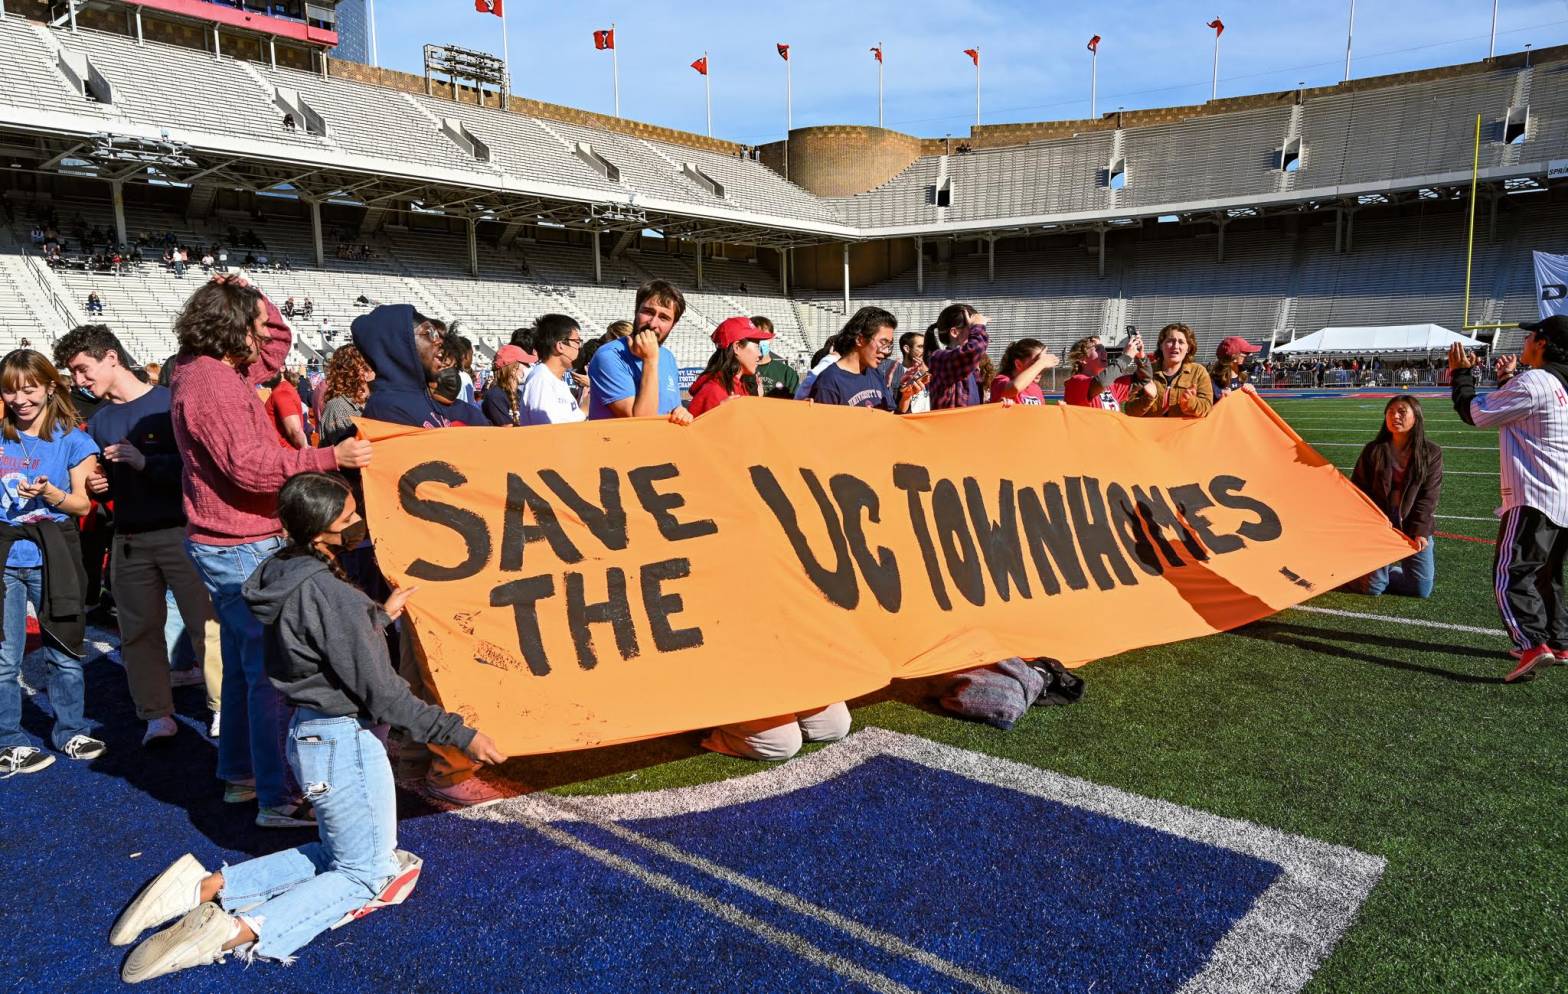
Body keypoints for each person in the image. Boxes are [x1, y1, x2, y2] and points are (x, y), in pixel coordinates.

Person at [110, 472, 506, 982]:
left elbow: (317, 642)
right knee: (369, 873)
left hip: (312, 735)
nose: (358, 521)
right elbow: (384, 695)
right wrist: (461, 735)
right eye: (349, 515)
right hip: (344, 743)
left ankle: (203, 888)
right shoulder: (330, 593)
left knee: (343, 853)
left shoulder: (281, 570)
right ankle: (236, 931)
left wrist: (377, 619)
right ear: (322, 527)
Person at [170, 275, 372, 827]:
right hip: (240, 542)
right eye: (255, 325)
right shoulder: (211, 383)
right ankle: (277, 795)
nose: (266, 336)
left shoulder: (212, 369)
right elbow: (250, 469)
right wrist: (330, 459)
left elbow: (277, 345)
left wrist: (251, 292)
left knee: (245, 672)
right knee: (273, 675)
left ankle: (243, 776)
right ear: (231, 328)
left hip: (233, 540)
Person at [52, 326, 223, 745]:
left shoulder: (169, 403)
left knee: (207, 626)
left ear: (111, 357)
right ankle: (156, 714)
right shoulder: (100, 420)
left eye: (83, 369)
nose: (79, 380)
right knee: (138, 633)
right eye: (73, 373)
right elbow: (109, 482)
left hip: (181, 532)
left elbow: (202, 468)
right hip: (127, 538)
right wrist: (100, 485)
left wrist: (146, 462)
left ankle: (223, 707)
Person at [351, 304, 493, 807]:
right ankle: (448, 769)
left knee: (419, 661)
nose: (439, 343)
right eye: (427, 334)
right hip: (426, 560)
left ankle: (413, 755)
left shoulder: (418, 401)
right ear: (396, 346)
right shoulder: (390, 408)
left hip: (439, 556)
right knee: (438, 664)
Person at [0, 350, 105, 775]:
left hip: (54, 554)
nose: (20, 399)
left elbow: (81, 504)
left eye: (29, 389)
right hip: (5, 556)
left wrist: (49, 494)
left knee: (64, 647)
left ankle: (70, 730)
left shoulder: (74, 440)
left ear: (49, 387)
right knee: (4, 657)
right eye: (10, 390)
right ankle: (7, 741)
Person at [1448, 316, 1568, 682]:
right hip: (1561, 496)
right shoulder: (1557, 383)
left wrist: (1460, 374)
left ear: (1543, 343)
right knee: (1547, 575)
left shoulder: (1535, 382)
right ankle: (1559, 641)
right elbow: (1525, 413)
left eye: (1531, 335)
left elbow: (1475, 413)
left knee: (1511, 572)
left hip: (1534, 494)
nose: (1526, 340)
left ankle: (1531, 644)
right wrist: (1506, 380)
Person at [1347, 397, 1444, 599]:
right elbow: (1358, 489)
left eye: (1401, 412)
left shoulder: (1431, 453)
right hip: (1380, 522)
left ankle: (1380, 572)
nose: (1395, 416)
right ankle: (1361, 575)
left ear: (1416, 417)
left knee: (1420, 590)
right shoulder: (1373, 450)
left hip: (1411, 521)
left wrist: (1420, 531)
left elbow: (1428, 497)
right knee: (1373, 589)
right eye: (1390, 412)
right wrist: (1370, 526)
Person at [586, 281, 691, 424]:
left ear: (673, 325)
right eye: (648, 312)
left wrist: (681, 412)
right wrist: (650, 360)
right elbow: (642, 423)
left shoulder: (667, 357)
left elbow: (672, 407)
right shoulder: (609, 356)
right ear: (636, 311)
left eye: (664, 318)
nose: (653, 324)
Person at [804, 307, 898, 410]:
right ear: (859, 340)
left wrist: (905, 396)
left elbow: (891, 414)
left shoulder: (875, 373)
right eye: (883, 343)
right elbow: (824, 420)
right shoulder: (829, 381)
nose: (886, 351)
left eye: (889, 345)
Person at [1125, 323, 1213, 419]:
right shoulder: (1145, 371)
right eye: (1170, 341)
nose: (1175, 346)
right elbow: (1129, 410)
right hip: (1150, 428)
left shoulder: (1198, 372)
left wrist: (1190, 402)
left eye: (1181, 342)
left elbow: (1207, 408)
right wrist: (1148, 398)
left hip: (1183, 429)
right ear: (1161, 345)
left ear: (1188, 348)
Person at [688, 317, 772, 417]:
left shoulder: (740, 384)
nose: (760, 354)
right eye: (757, 346)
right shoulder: (714, 390)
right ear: (737, 347)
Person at [519, 317, 586, 426]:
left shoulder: (554, 379)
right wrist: (584, 410)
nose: (579, 347)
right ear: (560, 346)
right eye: (577, 342)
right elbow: (546, 429)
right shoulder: (541, 380)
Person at [925, 304, 989, 410]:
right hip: (950, 421)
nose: (975, 332)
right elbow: (974, 350)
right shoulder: (940, 359)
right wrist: (978, 326)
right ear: (954, 332)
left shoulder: (970, 365)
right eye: (971, 327)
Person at [1062, 333, 1150, 410]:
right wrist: (1126, 358)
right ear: (1082, 359)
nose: (1104, 352)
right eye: (1098, 349)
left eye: (1104, 349)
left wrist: (1141, 356)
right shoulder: (1075, 382)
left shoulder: (1112, 385)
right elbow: (1101, 382)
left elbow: (1144, 379)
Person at [317, 345, 374, 447]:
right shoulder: (338, 408)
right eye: (371, 365)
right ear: (361, 371)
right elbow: (346, 452)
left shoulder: (370, 401)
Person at [988, 338, 1060, 405]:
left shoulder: (1036, 389)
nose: (1040, 369)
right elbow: (1015, 387)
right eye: (1035, 363)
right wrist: (1041, 363)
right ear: (1018, 364)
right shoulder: (1000, 381)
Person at [481, 343, 536, 427]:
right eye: (526, 364)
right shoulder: (495, 396)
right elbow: (507, 430)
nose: (529, 367)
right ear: (513, 368)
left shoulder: (519, 394)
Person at [751, 316, 799, 397]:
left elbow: (797, 402)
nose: (759, 342)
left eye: (764, 337)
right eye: (755, 337)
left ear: (772, 338)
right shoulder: (740, 372)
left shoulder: (787, 373)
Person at [261, 372, 307, 449]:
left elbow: (295, 432)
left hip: (285, 452)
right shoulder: (283, 389)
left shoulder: (281, 392)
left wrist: (306, 454)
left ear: (282, 368)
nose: (263, 372)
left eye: (268, 367)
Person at [888, 331, 931, 414]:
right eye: (920, 347)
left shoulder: (927, 371)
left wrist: (925, 371)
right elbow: (896, 408)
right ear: (907, 349)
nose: (925, 351)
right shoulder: (897, 375)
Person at [1210, 336, 1261, 401]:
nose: (1250, 356)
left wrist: (1253, 394)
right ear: (1234, 358)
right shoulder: (1213, 382)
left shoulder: (1244, 378)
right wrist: (1220, 397)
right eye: (1247, 353)